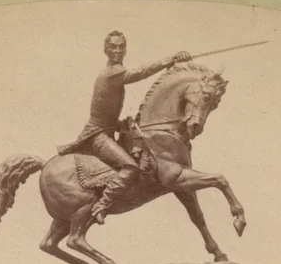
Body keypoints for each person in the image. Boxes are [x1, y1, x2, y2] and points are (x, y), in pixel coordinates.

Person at [59, 31, 191, 223]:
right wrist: (169, 60)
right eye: (113, 47)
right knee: (130, 166)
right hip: (98, 135)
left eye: (121, 47)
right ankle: (102, 205)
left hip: (108, 130)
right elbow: (140, 72)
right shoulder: (112, 73)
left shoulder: (115, 71)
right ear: (106, 50)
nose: (118, 50)